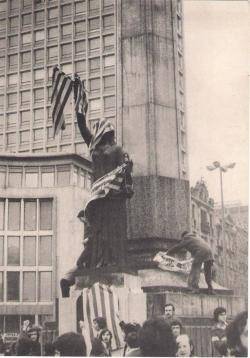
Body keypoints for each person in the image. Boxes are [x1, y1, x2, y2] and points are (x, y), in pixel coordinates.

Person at [75, 77, 133, 268]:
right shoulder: (95, 148)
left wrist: (127, 172)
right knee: (96, 230)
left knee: (110, 230)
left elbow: (124, 173)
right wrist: (79, 99)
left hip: (112, 197)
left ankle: (110, 261)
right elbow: (82, 125)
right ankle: (95, 262)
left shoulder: (117, 149)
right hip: (97, 195)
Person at [60, 209, 92, 297]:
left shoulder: (92, 225)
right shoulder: (88, 226)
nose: (82, 221)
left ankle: (85, 277)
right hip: (87, 261)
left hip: (88, 258)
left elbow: (79, 262)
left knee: (64, 281)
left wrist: (88, 239)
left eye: (82, 219)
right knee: (64, 281)